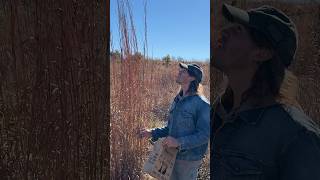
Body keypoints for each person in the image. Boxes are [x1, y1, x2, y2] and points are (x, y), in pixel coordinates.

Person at [211, 3, 320, 180]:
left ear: (262, 53)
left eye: (238, 30)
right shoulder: (219, 111)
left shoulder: (298, 137)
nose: (224, 31)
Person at [139, 63, 210, 180]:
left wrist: (178, 142)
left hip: (189, 160)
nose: (179, 72)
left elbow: (204, 135)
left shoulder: (202, 104)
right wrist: (152, 132)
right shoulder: (177, 100)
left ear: (192, 78)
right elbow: (170, 128)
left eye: (183, 72)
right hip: (171, 155)